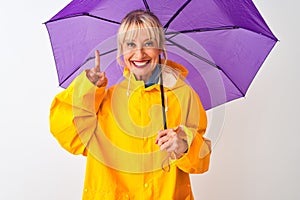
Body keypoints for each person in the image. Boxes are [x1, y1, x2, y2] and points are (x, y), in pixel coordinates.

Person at [50, 9, 211, 200]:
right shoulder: (104, 99)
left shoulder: (184, 95)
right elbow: (67, 133)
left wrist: (183, 146)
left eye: (148, 43)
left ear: (160, 47)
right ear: (122, 50)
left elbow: (202, 160)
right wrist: (87, 87)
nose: (139, 53)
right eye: (130, 44)